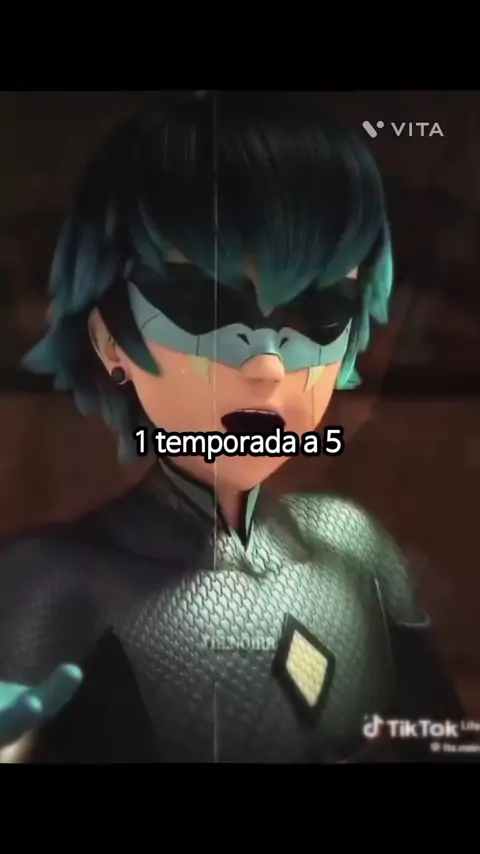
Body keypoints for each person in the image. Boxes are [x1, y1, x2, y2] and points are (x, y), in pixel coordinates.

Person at [0, 91, 466, 762]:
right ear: (109, 339)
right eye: (205, 307)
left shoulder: (356, 547)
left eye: (318, 313)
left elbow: (445, 744)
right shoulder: (51, 582)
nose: (267, 366)